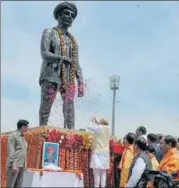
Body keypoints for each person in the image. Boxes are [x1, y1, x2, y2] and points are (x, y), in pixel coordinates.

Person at [39, 2, 84, 129]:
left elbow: (76, 63)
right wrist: (61, 58)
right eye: (66, 13)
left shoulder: (73, 41)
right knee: (45, 108)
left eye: (72, 15)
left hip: (68, 79)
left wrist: (80, 81)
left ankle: (71, 136)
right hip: (51, 75)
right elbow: (44, 53)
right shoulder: (49, 32)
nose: (70, 16)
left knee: (70, 111)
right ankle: (43, 132)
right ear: (58, 15)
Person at [87, 117, 110, 187]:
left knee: (96, 173)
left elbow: (89, 127)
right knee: (103, 173)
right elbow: (100, 127)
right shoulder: (108, 128)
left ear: (101, 123)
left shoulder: (98, 128)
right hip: (105, 153)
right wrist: (97, 122)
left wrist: (92, 121)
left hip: (97, 153)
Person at [6, 120, 29, 188]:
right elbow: (11, 150)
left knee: (19, 185)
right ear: (22, 127)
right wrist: (13, 164)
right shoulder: (13, 136)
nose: (28, 128)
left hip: (21, 165)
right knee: (10, 184)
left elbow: (22, 152)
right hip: (15, 165)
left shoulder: (22, 137)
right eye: (27, 126)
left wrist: (25, 164)